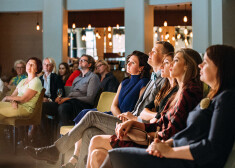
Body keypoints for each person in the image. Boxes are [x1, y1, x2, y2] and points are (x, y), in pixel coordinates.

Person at [24, 41, 173, 168]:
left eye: (154, 51)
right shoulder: (152, 80)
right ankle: (78, 162)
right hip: (129, 119)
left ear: (165, 57)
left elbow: (153, 112)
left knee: (90, 115)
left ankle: (55, 150)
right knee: (89, 132)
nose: (150, 53)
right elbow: (136, 108)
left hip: (137, 126)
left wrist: (134, 118)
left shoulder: (159, 81)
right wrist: (132, 115)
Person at [101, 45, 235, 168]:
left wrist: (170, 151)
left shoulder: (225, 98)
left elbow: (212, 148)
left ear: (219, 67)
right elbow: (189, 132)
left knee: (114, 155)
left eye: (206, 62)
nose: (200, 65)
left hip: (188, 161)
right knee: (108, 153)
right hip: (173, 150)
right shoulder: (213, 97)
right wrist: (167, 144)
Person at [87, 48, 203, 168]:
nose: (171, 64)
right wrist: (133, 123)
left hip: (159, 147)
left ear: (187, 66)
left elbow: (171, 133)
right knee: (97, 155)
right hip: (154, 139)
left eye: (176, 60)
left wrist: (142, 132)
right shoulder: (177, 93)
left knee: (96, 140)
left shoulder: (189, 92)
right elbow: (159, 122)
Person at [64, 51, 150, 168]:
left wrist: (122, 119)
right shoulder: (124, 82)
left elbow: (138, 108)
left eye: (133, 63)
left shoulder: (143, 83)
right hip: (115, 116)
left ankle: (64, 150)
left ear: (141, 68)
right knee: (88, 129)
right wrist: (118, 116)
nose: (128, 64)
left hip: (126, 122)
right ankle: (78, 163)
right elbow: (113, 106)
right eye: (128, 62)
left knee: (89, 114)